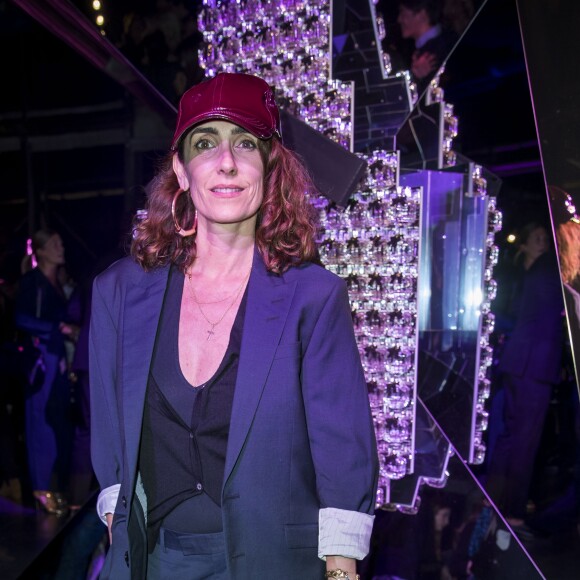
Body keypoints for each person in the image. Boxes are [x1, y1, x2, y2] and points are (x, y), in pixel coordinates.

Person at [90, 72, 378, 579]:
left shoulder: (314, 297)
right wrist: (116, 517)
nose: (226, 161)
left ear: (269, 166)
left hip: (273, 563)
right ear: (180, 169)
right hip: (154, 562)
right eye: (205, 143)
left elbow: (341, 447)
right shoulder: (119, 292)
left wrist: (341, 568)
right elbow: (111, 430)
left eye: (246, 143)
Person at [485, 222, 564, 534]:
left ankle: (494, 500)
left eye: (546, 239)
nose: (544, 243)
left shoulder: (535, 273)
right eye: (538, 239)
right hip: (532, 365)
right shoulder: (547, 271)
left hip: (520, 362)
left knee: (511, 437)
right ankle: (513, 511)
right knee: (523, 440)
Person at [15, 229, 80, 514]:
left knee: (57, 425)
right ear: (40, 251)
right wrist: (60, 328)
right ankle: (42, 491)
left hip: (57, 363)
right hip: (41, 364)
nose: (60, 246)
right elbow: (21, 318)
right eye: (54, 243)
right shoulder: (33, 282)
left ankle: (53, 487)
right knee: (41, 425)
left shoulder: (56, 282)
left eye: (61, 241)